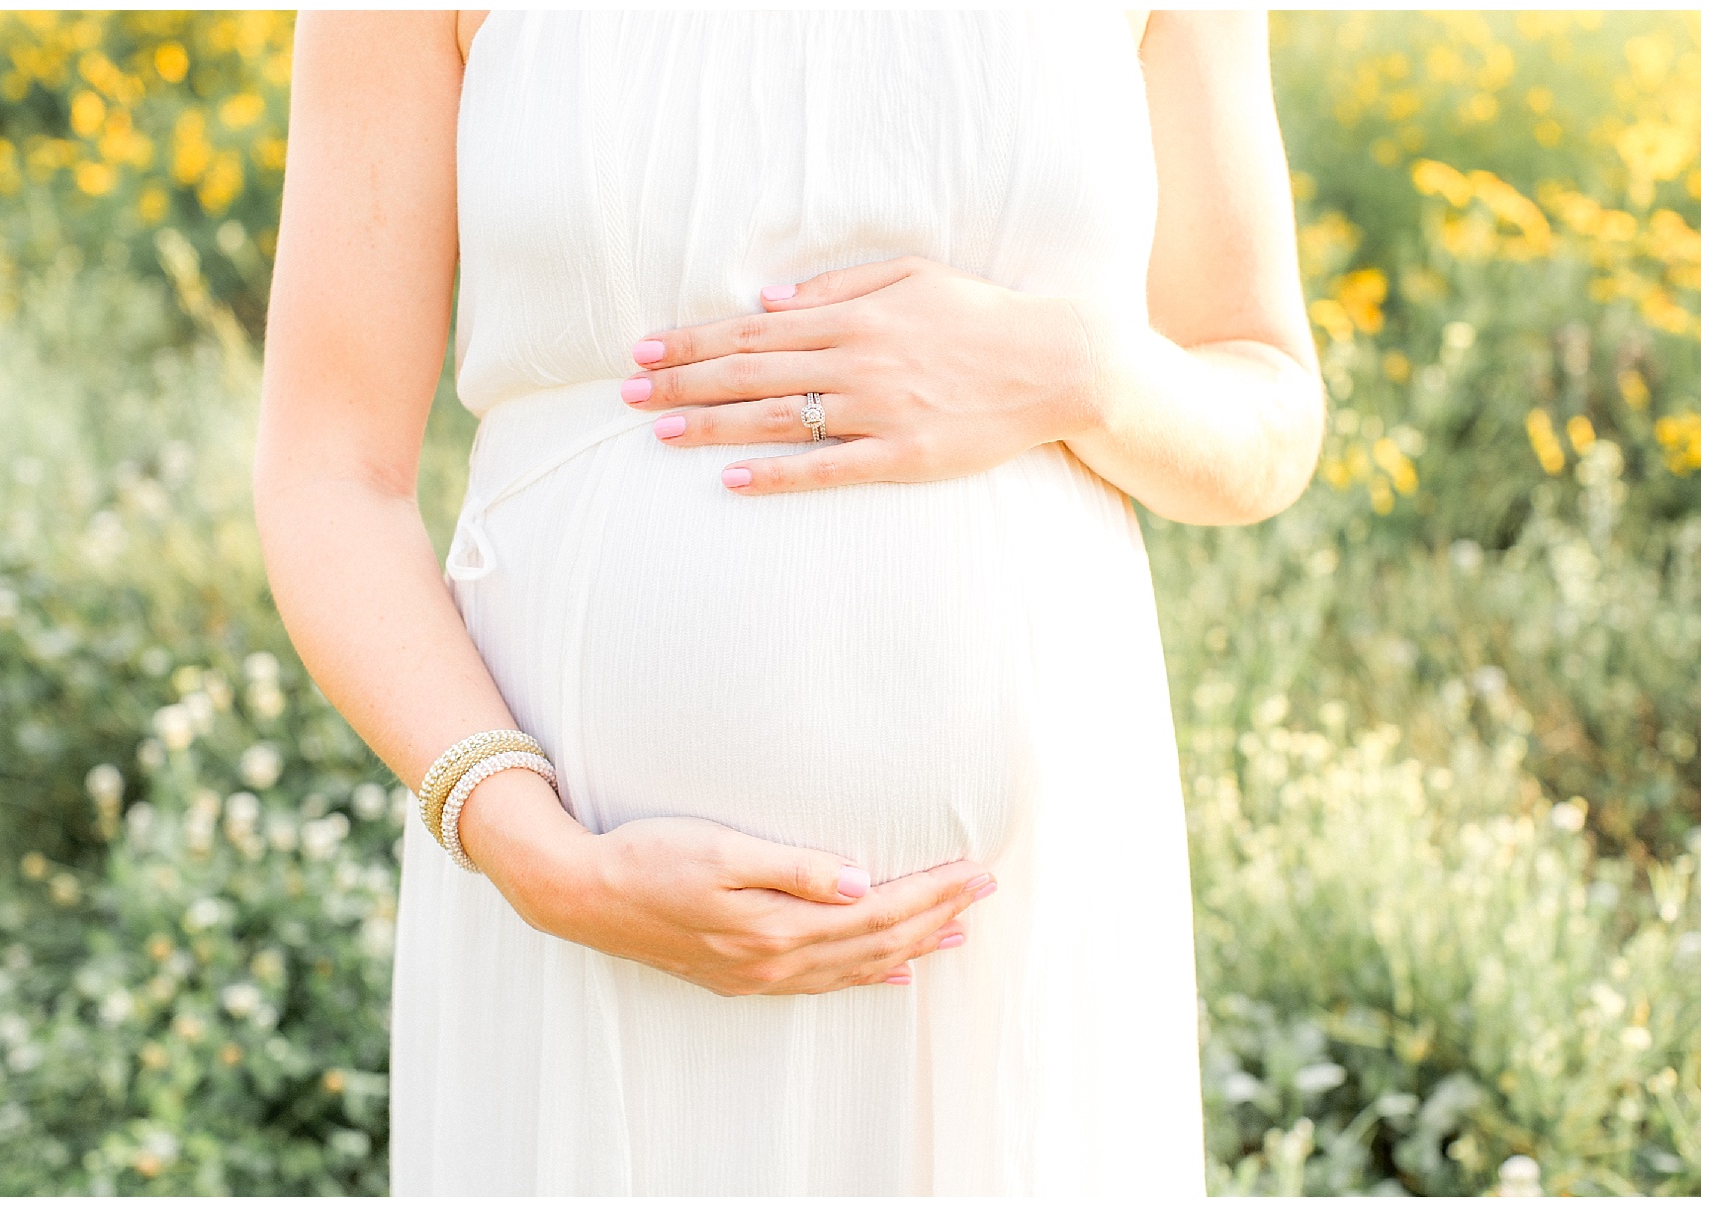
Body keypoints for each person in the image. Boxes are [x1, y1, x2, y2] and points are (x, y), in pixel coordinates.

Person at [255, 9, 1323, 1196]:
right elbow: (329, 473)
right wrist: (540, 858)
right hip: (583, 919)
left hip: (1013, 939)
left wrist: (1085, 368)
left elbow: (1267, 414)